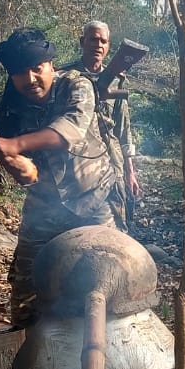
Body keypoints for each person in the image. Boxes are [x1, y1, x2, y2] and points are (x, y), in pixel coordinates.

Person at [0, 28, 116, 327]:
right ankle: (30, 364)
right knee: (24, 298)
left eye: (36, 69)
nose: (29, 79)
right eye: (19, 72)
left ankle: (108, 364)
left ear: (50, 65)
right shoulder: (10, 109)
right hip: (44, 208)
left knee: (108, 285)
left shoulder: (76, 85)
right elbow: (25, 172)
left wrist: (15, 146)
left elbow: (70, 129)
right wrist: (22, 169)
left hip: (92, 200)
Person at [78, 19, 140, 228]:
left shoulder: (116, 79)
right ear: (82, 42)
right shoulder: (65, 76)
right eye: (93, 39)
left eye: (103, 41)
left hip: (112, 158)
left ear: (108, 47)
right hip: (79, 161)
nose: (98, 45)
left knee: (118, 210)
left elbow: (123, 127)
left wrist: (130, 170)